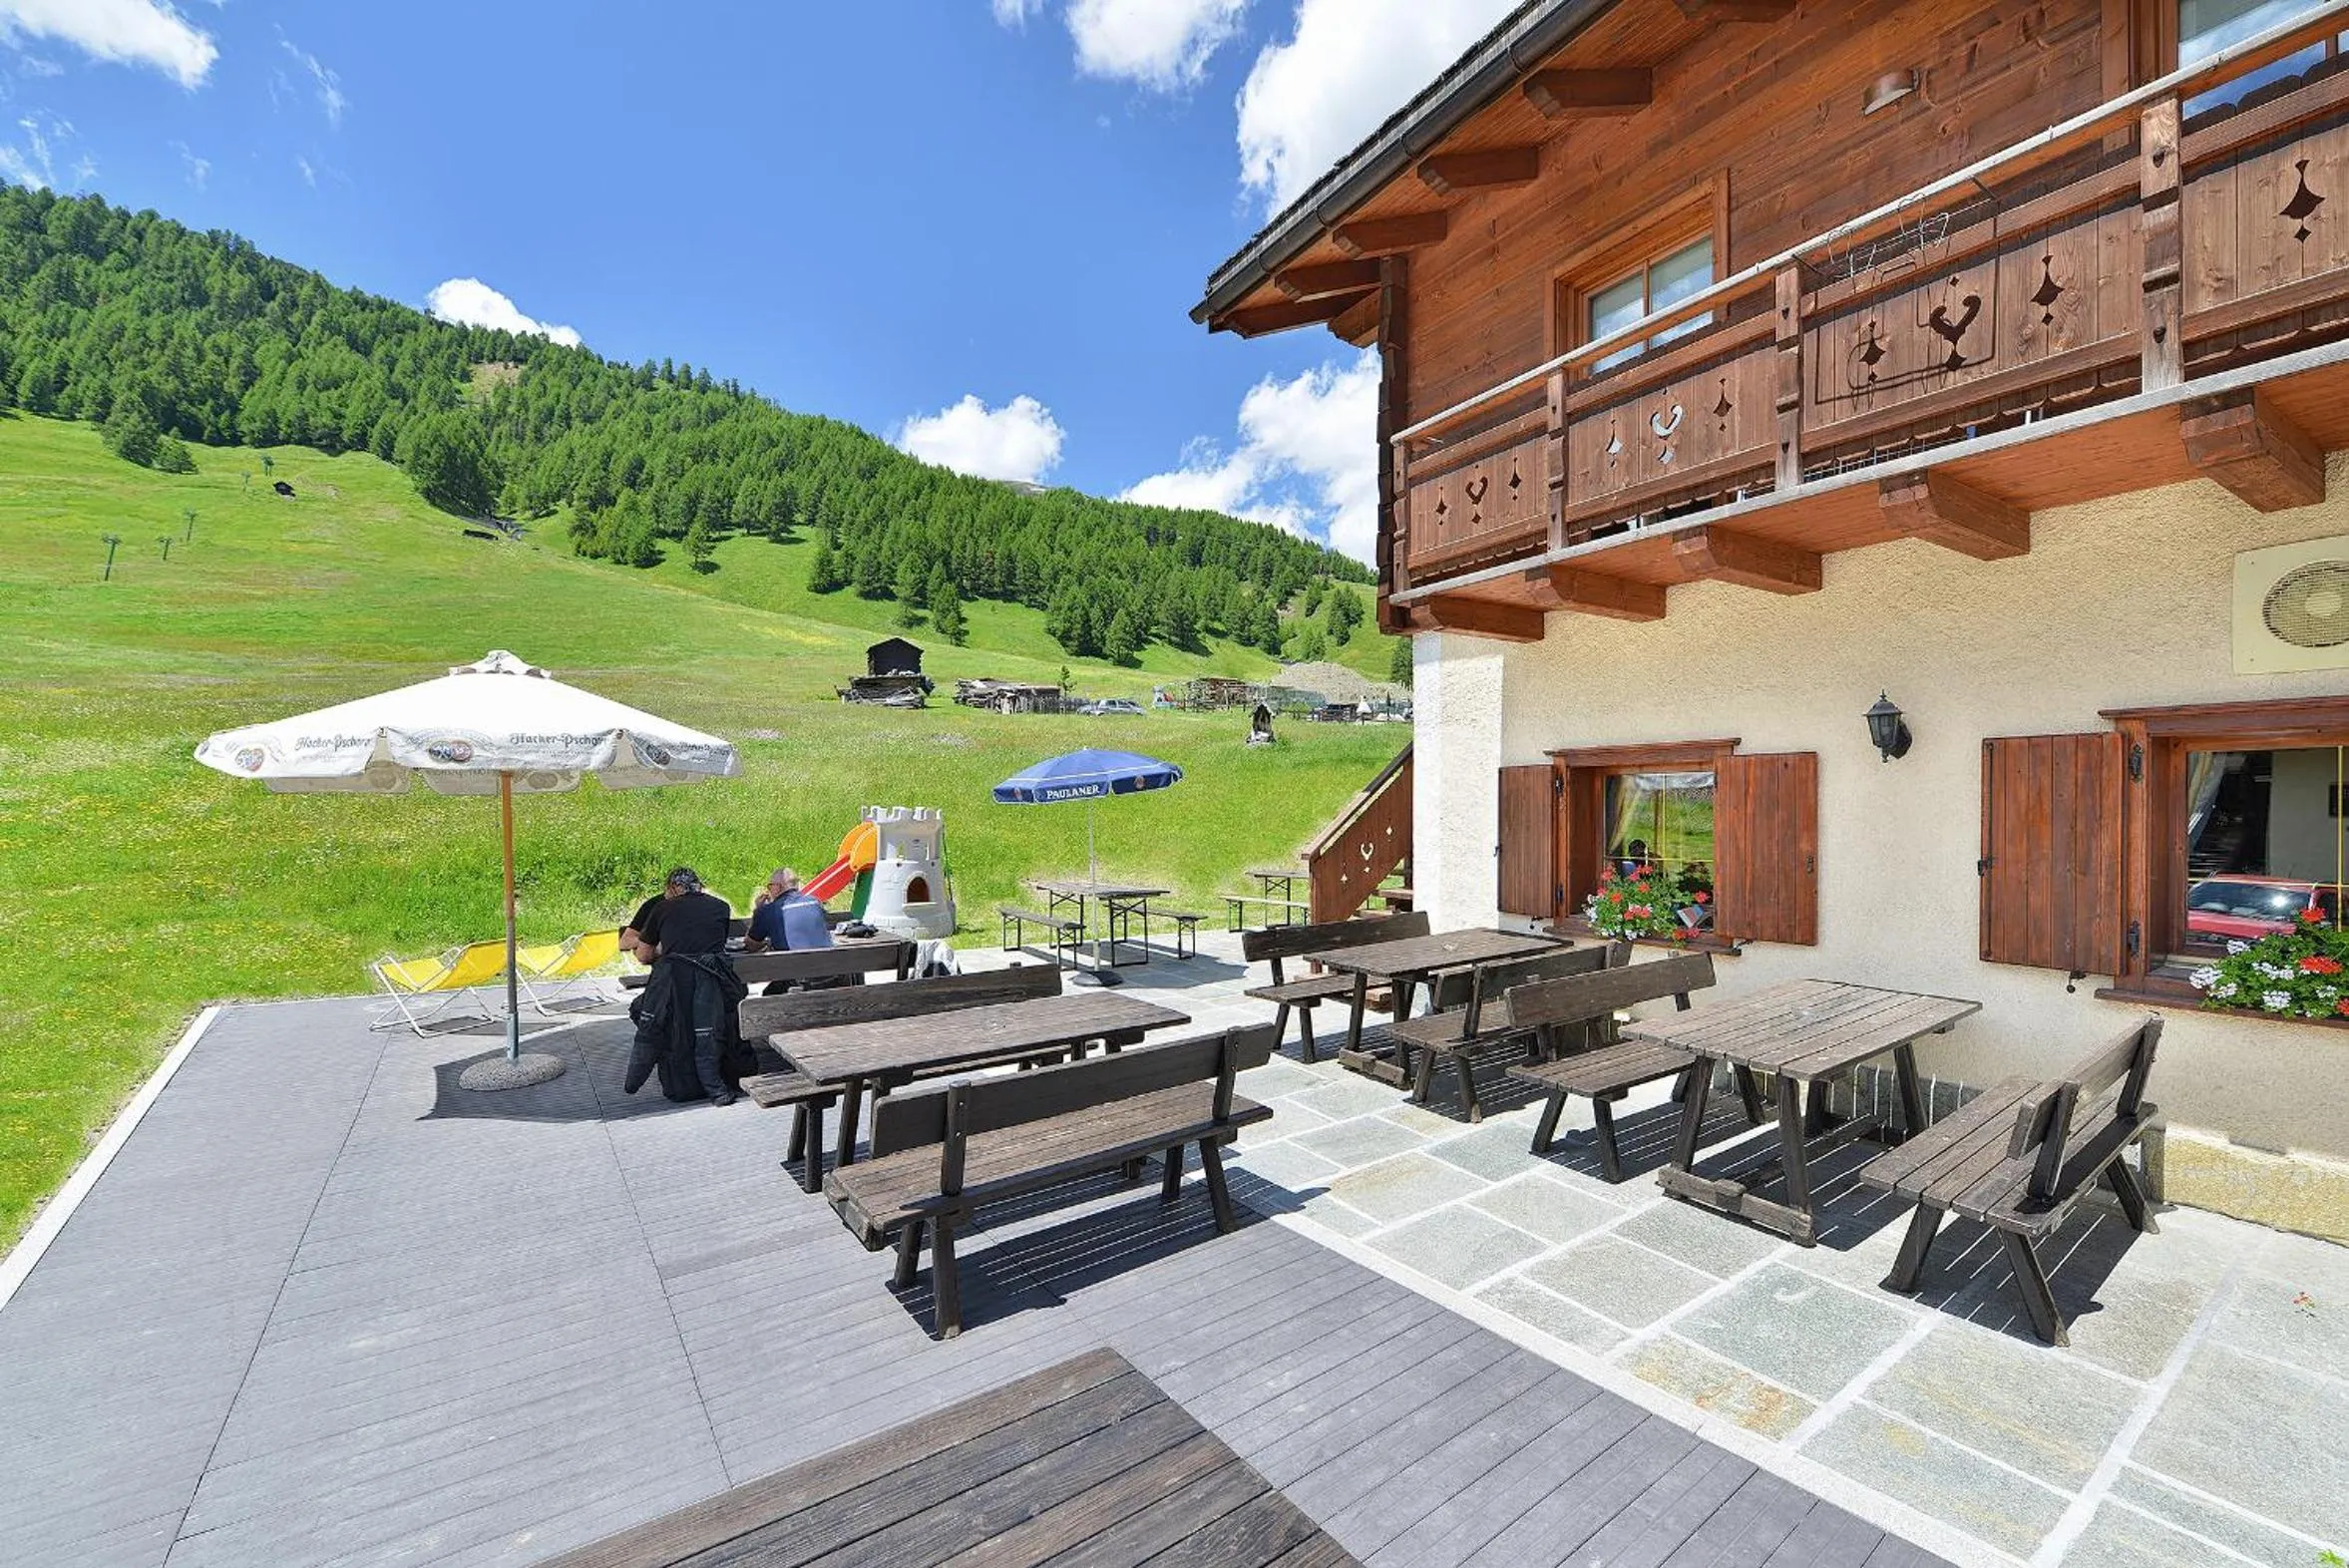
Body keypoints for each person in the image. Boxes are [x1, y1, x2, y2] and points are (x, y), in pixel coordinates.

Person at [622, 868, 746, 1105]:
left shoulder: (662, 908)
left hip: (672, 987)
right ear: (699, 886)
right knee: (708, 1031)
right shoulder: (721, 907)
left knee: (641, 1010)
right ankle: (717, 1090)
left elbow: (643, 956)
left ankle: (636, 1080)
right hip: (713, 986)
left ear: (673, 888)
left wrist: (665, 949)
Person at [745, 868, 834, 954]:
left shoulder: (767, 911)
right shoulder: (814, 902)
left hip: (789, 963)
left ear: (778, 887)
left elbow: (751, 945)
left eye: (770, 886)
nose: (769, 891)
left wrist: (758, 909)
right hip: (828, 961)